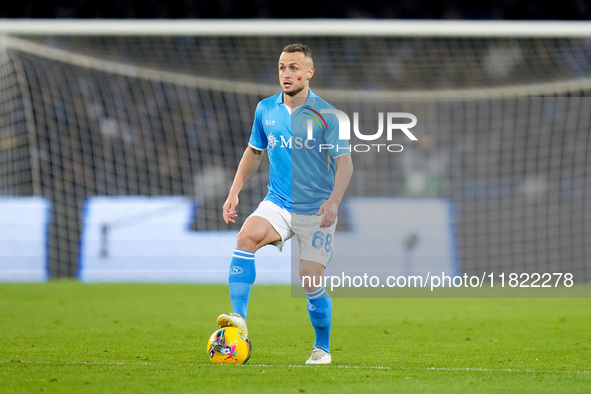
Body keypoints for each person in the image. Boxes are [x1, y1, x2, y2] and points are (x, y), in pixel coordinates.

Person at [217, 43, 353, 365]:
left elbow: (345, 164)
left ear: (310, 72)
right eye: (281, 67)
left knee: (310, 279)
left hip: (316, 210)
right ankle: (240, 322)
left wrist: (334, 202)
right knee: (245, 237)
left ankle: (322, 348)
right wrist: (234, 192)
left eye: (294, 68)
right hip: (277, 201)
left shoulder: (329, 115)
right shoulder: (266, 109)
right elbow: (253, 152)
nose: (286, 74)